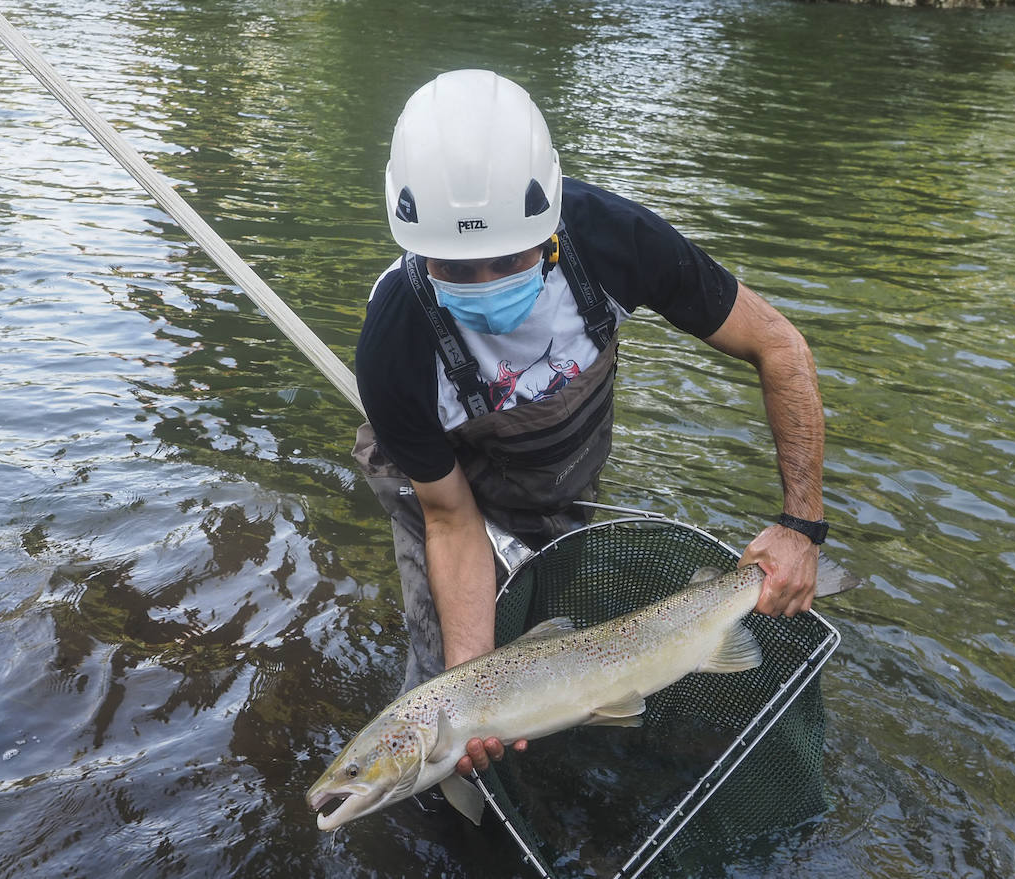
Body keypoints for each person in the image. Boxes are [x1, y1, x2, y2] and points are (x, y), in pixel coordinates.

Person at [352, 69, 827, 782]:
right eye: (456, 267)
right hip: (442, 492)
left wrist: (802, 525)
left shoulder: (610, 240)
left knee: (562, 640)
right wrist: (472, 686)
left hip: (560, 480)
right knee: (442, 707)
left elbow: (779, 345)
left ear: (548, 219)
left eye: (508, 258)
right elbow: (450, 519)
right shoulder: (394, 343)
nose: (484, 284)